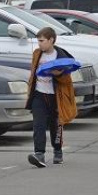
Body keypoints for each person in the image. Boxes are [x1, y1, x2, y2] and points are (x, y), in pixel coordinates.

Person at [25, 26, 78, 168]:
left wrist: (58, 74)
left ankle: (58, 151)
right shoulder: (37, 53)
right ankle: (39, 154)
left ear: (51, 40)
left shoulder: (61, 57)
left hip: (56, 96)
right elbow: (33, 73)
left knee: (56, 125)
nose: (39, 44)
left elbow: (67, 81)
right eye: (38, 41)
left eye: (42, 41)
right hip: (39, 94)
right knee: (38, 125)